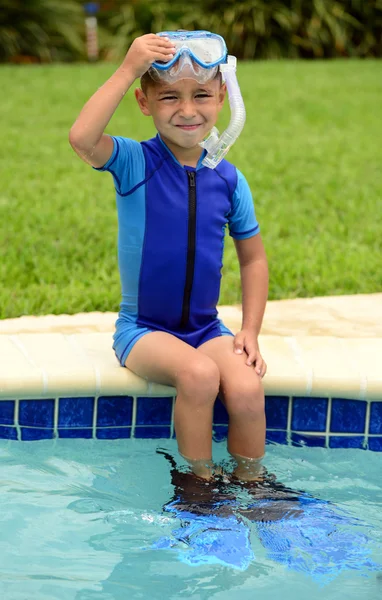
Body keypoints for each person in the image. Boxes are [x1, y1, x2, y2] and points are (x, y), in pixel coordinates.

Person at [69, 31, 269, 480]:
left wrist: (250, 332)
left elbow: (253, 259)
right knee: (198, 375)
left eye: (201, 95)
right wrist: (127, 69)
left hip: (204, 328)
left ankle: (254, 486)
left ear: (222, 96)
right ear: (145, 103)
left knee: (245, 387)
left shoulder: (229, 180)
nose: (187, 110)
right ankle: (198, 488)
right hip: (143, 330)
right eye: (169, 98)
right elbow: (82, 138)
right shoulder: (134, 162)